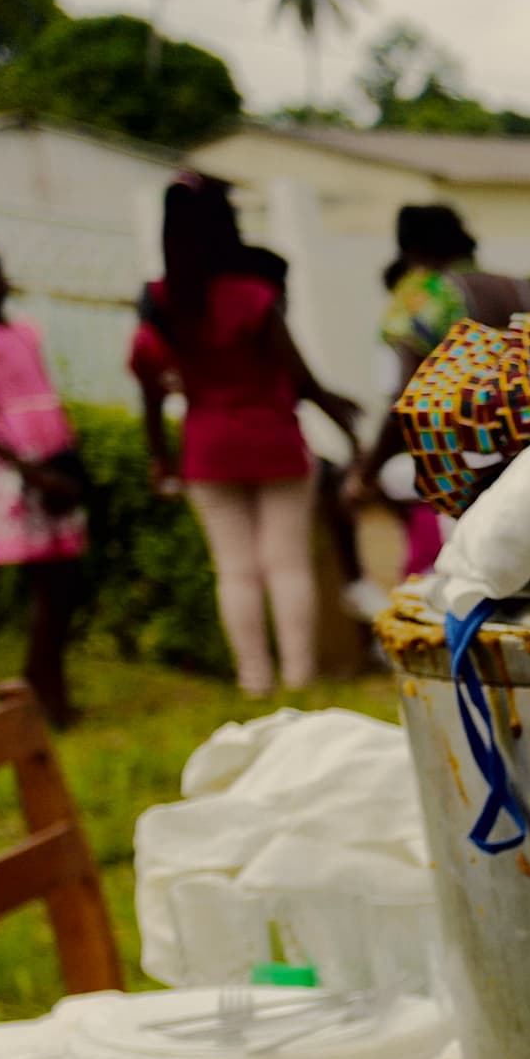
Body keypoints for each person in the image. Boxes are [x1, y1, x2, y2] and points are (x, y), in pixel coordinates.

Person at [131, 173, 360, 697]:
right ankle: (299, 678)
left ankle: (253, 682)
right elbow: (299, 375)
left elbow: (146, 382)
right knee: (286, 564)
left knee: (235, 571)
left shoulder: (159, 304)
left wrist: (159, 458)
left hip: (206, 447)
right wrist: (344, 421)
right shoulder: (252, 296)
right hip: (273, 439)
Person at [344, 203, 530, 580]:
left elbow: (408, 399)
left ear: (410, 251)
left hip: (468, 468)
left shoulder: (423, 295)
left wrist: (366, 473)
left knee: (469, 577)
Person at [0, 244, 89, 726]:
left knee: (66, 584)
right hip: (20, 475)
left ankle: (44, 685)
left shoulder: (23, 331)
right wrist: (30, 473)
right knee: (50, 587)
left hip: (52, 462)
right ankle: (41, 696)